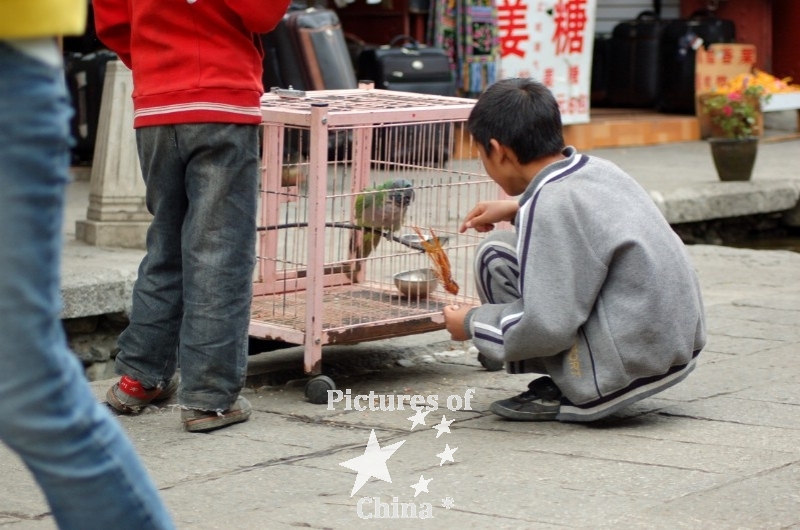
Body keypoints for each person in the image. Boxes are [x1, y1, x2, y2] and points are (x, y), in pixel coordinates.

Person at [0, 2, 174, 528]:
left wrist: (139, 56)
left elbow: (114, 22)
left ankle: (163, 379)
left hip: (26, 66)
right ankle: (207, 393)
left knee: (21, 381)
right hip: (212, 102)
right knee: (200, 255)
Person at [444, 78, 707, 422]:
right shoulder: (595, 169)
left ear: (499, 150)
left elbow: (548, 324)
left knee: (496, 259)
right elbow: (586, 220)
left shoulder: (550, 202)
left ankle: (574, 382)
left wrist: (471, 323)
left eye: (481, 154)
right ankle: (545, 360)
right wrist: (517, 208)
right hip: (671, 345)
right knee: (498, 252)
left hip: (623, 368)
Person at [93, 0, 290, 432]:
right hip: (221, 100)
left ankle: (138, 378)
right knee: (219, 253)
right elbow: (263, 13)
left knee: (166, 244)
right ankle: (208, 397)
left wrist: (156, 63)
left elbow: (112, 24)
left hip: (156, 106)